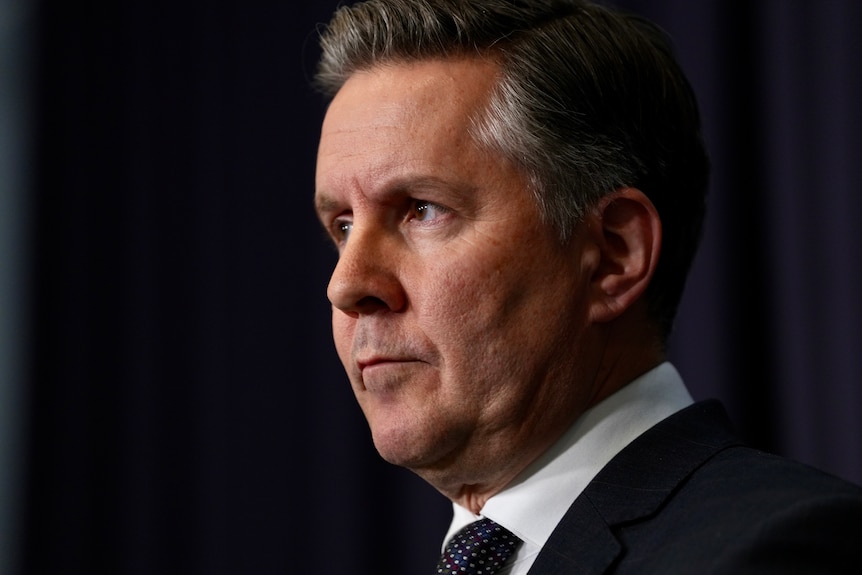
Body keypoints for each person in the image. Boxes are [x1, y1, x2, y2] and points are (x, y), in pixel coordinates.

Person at [312, 0, 862, 573]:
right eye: (343, 226)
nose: (347, 285)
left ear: (613, 256)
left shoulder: (782, 551)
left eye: (423, 210)